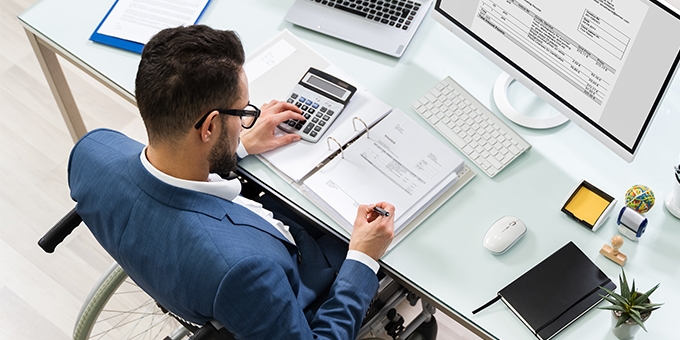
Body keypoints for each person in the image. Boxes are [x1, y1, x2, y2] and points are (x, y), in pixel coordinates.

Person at [68, 25, 395, 339]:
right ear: (209, 127)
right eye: (242, 113)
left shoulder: (92, 152)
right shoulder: (244, 271)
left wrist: (236, 146)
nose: (246, 122)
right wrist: (364, 258)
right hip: (297, 272)